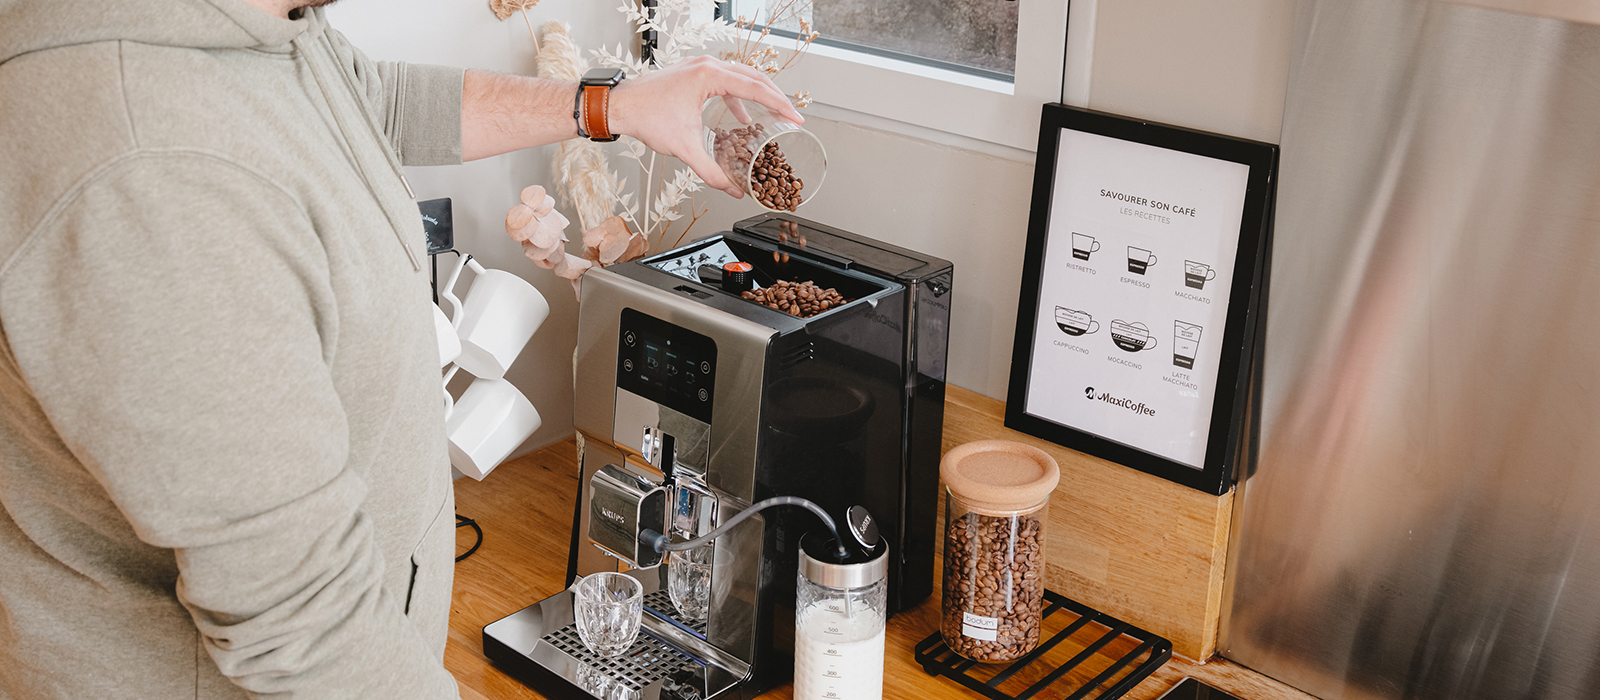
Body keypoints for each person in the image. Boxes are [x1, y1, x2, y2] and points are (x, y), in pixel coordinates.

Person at [0, 0, 803, 697]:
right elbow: (305, 628)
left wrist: (613, 106)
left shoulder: (251, 30)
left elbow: (371, 99)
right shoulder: (155, 177)